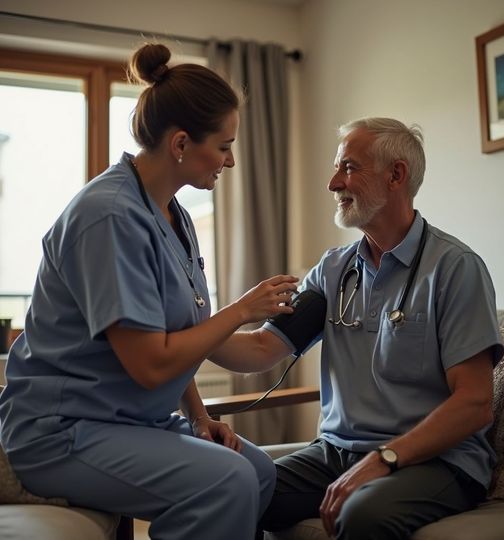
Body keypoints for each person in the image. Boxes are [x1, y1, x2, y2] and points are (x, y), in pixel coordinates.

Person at [0, 43, 298, 540]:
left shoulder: (173, 213)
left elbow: (178, 335)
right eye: (224, 146)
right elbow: (152, 361)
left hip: (128, 421)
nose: (230, 160)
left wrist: (200, 418)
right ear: (181, 143)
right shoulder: (109, 216)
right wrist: (242, 309)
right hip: (61, 429)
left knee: (260, 471)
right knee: (226, 482)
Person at [210, 117, 504, 540]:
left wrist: (384, 458)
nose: (333, 183)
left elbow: (475, 403)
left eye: (348, 168)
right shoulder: (333, 270)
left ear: (396, 175)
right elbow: (261, 350)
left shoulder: (455, 269)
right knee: (238, 494)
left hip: (436, 460)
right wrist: (191, 332)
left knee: (364, 515)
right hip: (336, 453)